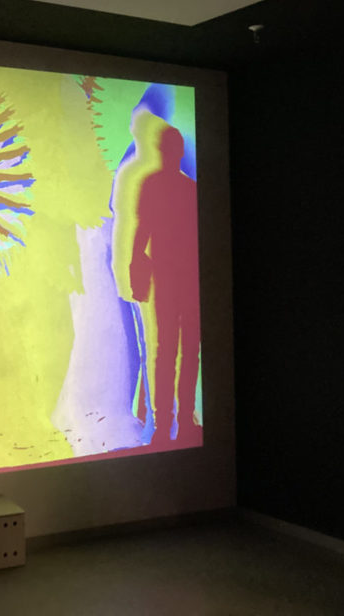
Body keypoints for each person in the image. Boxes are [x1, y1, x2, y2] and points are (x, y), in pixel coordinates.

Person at [129, 125, 201, 446]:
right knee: (187, 352)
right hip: (188, 280)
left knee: (167, 351)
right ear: (180, 152)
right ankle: (181, 423)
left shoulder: (152, 185)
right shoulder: (190, 190)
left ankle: (164, 426)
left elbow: (142, 230)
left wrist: (136, 264)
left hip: (168, 279)